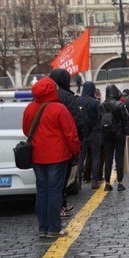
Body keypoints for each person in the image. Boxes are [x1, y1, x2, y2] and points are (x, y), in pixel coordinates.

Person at [23, 77, 80, 238]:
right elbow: (71, 135)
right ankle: (54, 228)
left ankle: (43, 228)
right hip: (57, 156)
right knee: (55, 191)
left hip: (37, 156)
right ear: (52, 91)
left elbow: (27, 131)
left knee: (42, 191)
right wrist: (75, 151)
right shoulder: (59, 109)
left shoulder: (29, 108)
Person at [49, 68, 86, 218]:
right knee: (62, 177)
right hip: (63, 144)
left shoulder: (45, 97)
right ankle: (60, 205)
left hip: (45, 145)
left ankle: (59, 204)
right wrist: (78, 141)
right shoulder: (68, 98)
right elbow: (77, 122)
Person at [99, 84, 129, 191]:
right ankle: (120, 183)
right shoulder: (119, 104)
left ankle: (107, 183)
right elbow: (125, 118)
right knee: (119, 158)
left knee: (108, 158)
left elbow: (99, 120)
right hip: (119, 134)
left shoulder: (101, 105)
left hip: (106, 134)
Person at [77, 81, 102, 189]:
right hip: (94, 132)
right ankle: (94, 181)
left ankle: (78, 181)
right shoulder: (95, 103)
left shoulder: (77, 101)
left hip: (82, 133)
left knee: (81, 158)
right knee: (95, 157)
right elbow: (100, 117)